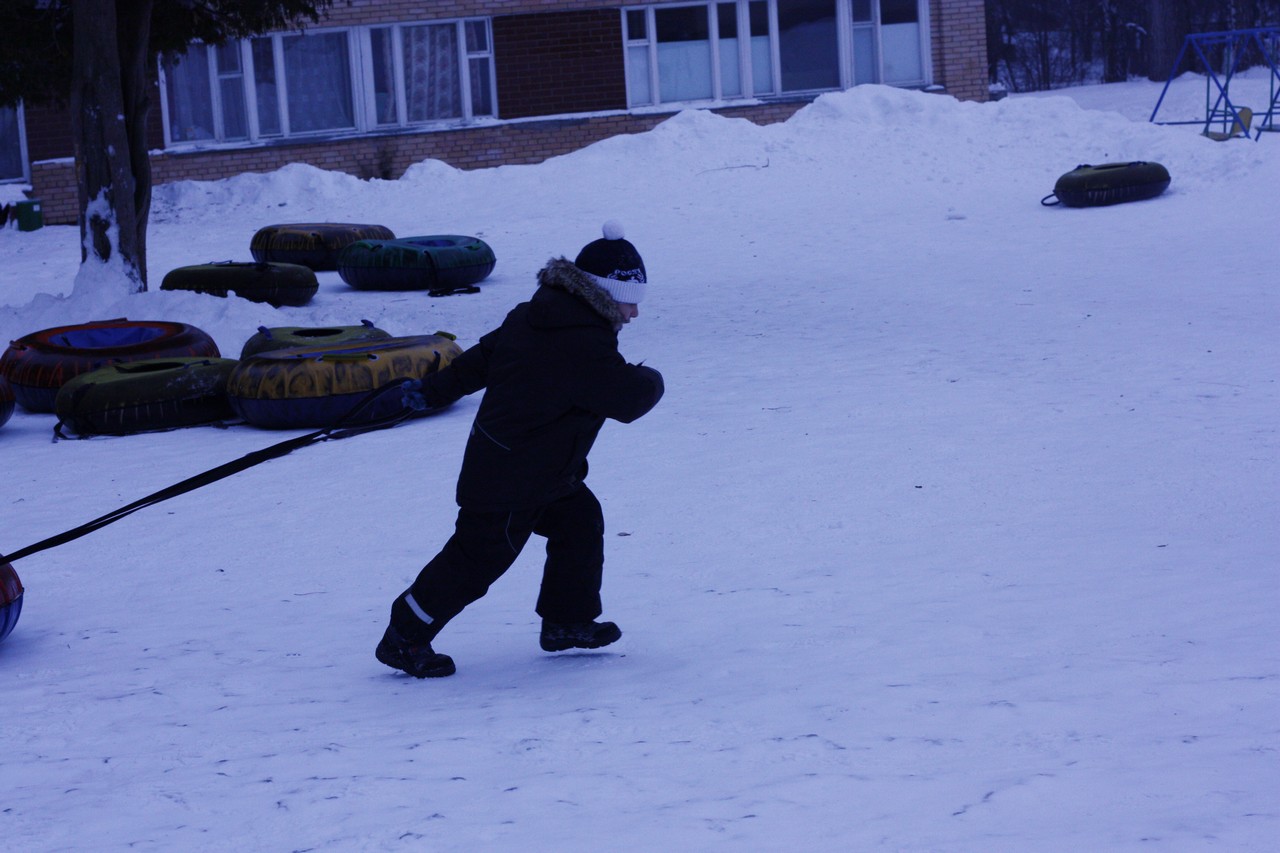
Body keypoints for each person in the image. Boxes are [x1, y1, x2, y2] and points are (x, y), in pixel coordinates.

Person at [376, 222, 665, 678]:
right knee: (477, 559)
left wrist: (432, 391)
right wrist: (651, 379)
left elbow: (480, 360)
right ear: (605, 295)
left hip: (541, 469)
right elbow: (628, 399)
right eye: (630, 301)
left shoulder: (537, 315)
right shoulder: (578, 341)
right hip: (511, 477)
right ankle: (403, 637)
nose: (634, 313)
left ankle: (567, 622)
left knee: (579, 521)